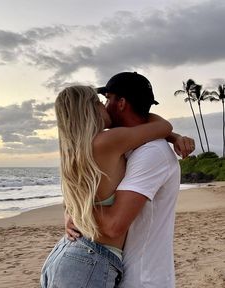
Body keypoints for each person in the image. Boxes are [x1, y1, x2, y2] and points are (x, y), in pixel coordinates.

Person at [40, 84, 179, 288]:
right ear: (91, 108)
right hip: (91, 258)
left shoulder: (73, 151)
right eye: (101, 102)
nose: (106, 106)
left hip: (66, 252)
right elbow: (164, 126)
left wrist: (74, 213)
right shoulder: (108, 141)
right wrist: (172, 136)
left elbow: (73, 201)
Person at [66, 72, 195, 288]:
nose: (104, 106)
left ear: (121, 103)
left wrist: (77, 213)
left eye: (107, 99)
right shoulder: (124, 147)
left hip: (142, 279)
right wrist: (69, 211)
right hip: (122, 272)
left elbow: (114, 225)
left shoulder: (152, 153)